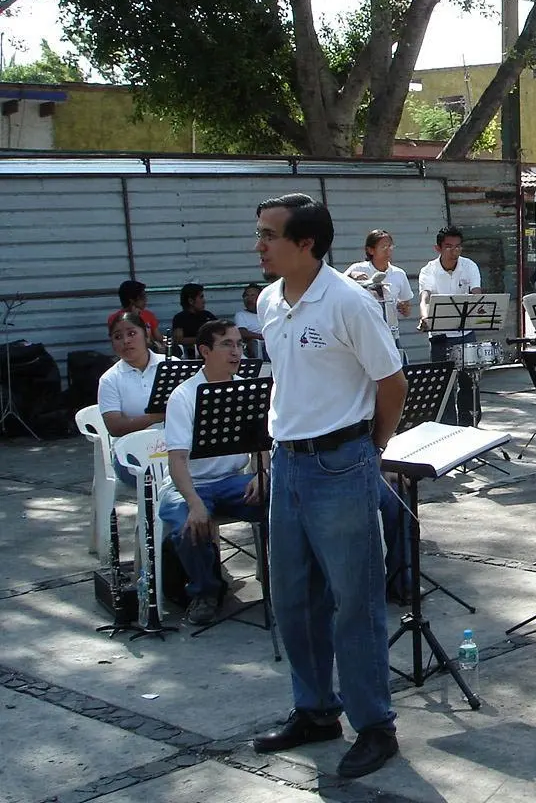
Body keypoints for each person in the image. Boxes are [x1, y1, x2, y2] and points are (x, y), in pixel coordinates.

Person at [250, 193, 407, 779]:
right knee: (292, 597)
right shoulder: (270, 300)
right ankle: (315, 709)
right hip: (286, 463)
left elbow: (391, 384)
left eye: (270, 235)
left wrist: (373, 447)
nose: (259, 244)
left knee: (354, 602)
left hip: (341, 463)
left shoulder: (348, 302)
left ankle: (374, 725)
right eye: (260, 232)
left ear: (306, 243)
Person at [156, 319, 263, 625]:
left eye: (239, 344)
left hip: (233, 481)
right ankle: (205, 592)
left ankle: (285, 582)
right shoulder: (184, 396)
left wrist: (262, 474)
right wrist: (194, 502)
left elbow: (265, 446)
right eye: (227, 344)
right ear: (204, 351)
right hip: (189, 485)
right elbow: (176, 460)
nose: (237, 352)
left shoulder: (246, 388)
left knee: (284, 501)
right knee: (185, 522)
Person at [417, 226, 483, 426]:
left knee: (469, 383)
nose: (454, 251)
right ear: (438, 248)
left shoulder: (469, 266)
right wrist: (425, 318)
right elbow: (425, 298)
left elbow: (477, 293)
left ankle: (469, 427)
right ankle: (447, 428)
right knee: (444, 384)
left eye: (457, 247)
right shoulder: (428, 270)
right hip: (440, 336)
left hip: (466, 334)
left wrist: (478, 304)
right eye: (448, 247)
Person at [98, 311, 166, 481]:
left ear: (147, 335)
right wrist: (153, 417)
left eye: (132, 333)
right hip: (131, 454)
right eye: (118, 337)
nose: (126, 341)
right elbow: (115, 427)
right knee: (161, 475)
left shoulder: (171, 365)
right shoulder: (110, 379)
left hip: (173, 447)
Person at [346, 229, 415, 347]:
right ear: (370, 250)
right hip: (365, 335)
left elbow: (407, 310)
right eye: (383, 247)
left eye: (390, 246)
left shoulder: (399, 274)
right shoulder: (358, 268)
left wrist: (404, 308)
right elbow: (339, 284)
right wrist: (352, 275)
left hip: (391, 335)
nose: (388, 250)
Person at [107, 280, 162, 348]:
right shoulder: (115, 319)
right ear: (132, 300)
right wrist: (134, 318)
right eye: (143, 297)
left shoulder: (148, 315)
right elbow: (118, 342)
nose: (146, 300)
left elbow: (158, 338)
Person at [171, 283, 217, 358]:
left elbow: (220, 331)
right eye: (201, 297)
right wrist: (202, 340)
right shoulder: (180, 318)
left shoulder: (208, 315)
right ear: (191, 301)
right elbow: (178, 340)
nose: (204, 301)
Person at [235, 283, 265, 358]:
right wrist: (262, 337)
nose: (249, 298)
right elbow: (242, 333)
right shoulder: (241, 315)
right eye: (246, 296)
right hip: (256, 345)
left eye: (252, 295)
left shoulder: (268, 313)